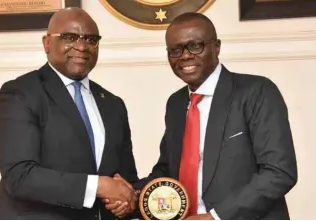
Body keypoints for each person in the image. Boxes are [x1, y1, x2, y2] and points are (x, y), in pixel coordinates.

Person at [107, 12, 298, 220]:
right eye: (175, 50)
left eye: (196, 45)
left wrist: (215, 217)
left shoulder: (256, 92)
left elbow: (279, 173)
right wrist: (131, 194)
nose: (185, 55)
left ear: (217, 47)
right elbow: (169, 171)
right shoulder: (176, 103)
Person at [0, 7, 138, 219]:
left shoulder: (113, 105)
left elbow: (125, 179)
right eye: (69, 37)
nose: (81, 46)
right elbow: (19, 176)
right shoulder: (20, 93)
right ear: (47, 43)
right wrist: (98, 185)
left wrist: (127, 201)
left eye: (90, 39)